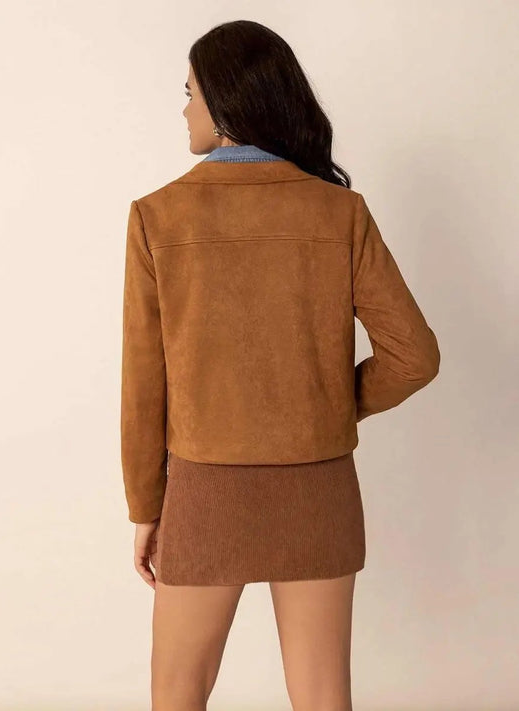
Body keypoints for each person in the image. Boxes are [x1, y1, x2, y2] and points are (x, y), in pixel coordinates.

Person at [120, 19, 441, 711]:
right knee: (323, 695)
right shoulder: (339, 212)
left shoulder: (158, 217)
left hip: (205, 494)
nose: (184, 109)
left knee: (176, 692)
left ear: (225, 101)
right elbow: (413, 357)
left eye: (190, 92)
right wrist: (324, 404)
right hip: (318, 491)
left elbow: (145, 387)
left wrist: (145, 506)